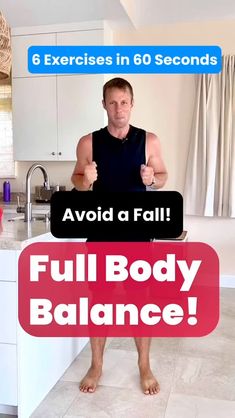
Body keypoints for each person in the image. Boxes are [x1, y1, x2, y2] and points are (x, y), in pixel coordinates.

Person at [71, 77, 168, 395]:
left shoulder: (149, 140)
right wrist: (85, 179)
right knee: (99, 303)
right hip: (100, 235)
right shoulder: (89, 142)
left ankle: (144, 365)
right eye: (112, 102)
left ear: (132, 104)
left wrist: (152, 179)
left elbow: (164, 176)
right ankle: (96, 365)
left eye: (123, 102)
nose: (118, 108)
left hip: (137, 235)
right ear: (104, 105)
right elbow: (77, 180)